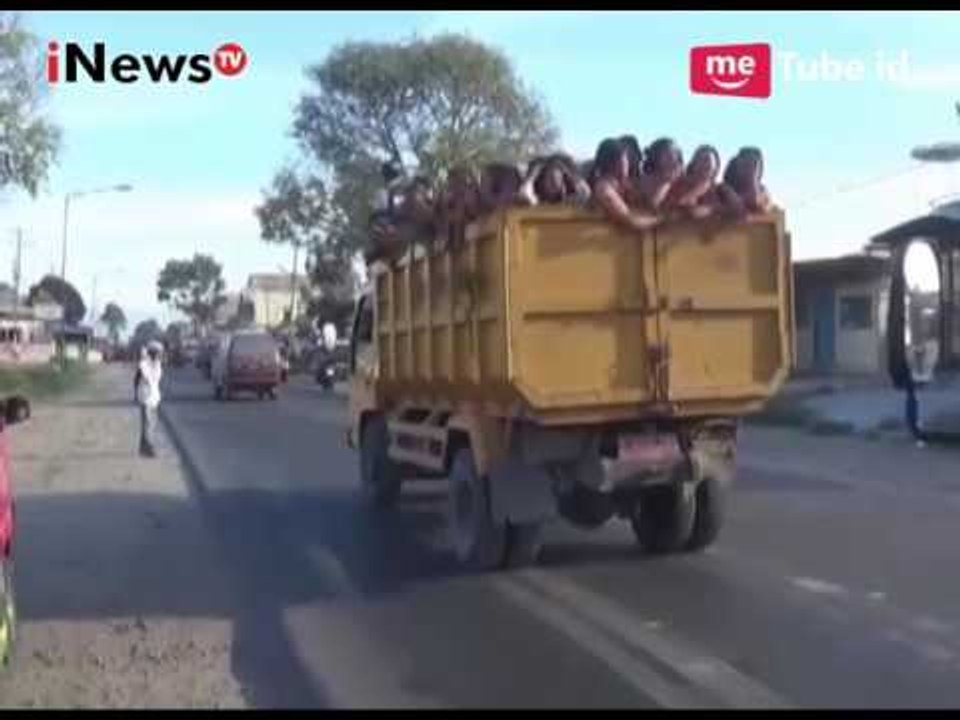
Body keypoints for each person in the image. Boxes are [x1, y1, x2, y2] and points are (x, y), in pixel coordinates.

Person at [589, 138, 661, 232]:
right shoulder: (604, 188)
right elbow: (630, 220)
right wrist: (661, 221)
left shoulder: (623, 185)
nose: (629, 163)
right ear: (618, 161)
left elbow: (648, 203)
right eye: (626, 158)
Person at [663, 144, 723, 219]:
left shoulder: (720, 191)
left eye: (708, 161)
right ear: (693, 163)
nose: (704, 165)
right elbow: (668, 210)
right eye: (701, 160)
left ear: (716, 168)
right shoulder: (677, 184)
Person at [636, 137, 684, 212]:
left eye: (675, 153)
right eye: (666, 154)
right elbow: (649, 207)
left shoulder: (679, 180)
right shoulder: (645, 180)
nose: (672, 157)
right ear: (655, 156)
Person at [134, 341, 164, 459]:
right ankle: (149, 449)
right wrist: (136, 395)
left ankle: (142, 449)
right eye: (158, 353)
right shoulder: (143, 364)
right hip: (145, 396)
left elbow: (156, 380)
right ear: (152, 352)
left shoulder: (157, 364)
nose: (160, 355)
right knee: (148, 424)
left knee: (150, 424)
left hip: (154, 397)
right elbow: (136, 379)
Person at [722, 146, 772, 214]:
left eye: (754, 164)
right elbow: (738, 207)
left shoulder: (762, 190)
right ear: (736, 165)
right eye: (746, 164)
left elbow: (758, 203)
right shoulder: (724, 188)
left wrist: (753, 178)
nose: (750, 168)